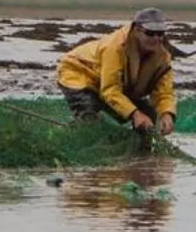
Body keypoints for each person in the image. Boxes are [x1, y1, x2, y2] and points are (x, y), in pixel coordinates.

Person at [56, 8, 179, 137]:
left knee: (149, 116)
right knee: (89, 117)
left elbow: (165, 92)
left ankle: (140, 152)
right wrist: (135, 114)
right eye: (150, 33)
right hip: (77, 72)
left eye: (160, 34)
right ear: (137, 30)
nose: (156, 38)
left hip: (108, 82)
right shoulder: (115, 48)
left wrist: (167, 114)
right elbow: (109, 90)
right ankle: (68, 134)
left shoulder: (163, 56)